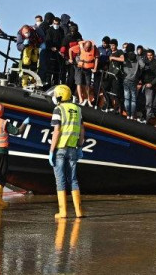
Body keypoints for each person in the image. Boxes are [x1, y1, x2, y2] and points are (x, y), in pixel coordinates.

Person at [48, 85, 85, 219]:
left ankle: (63, 212)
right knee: (73, 179)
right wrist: (80, 146)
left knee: (60, 179)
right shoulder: (78, 109)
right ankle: (79, 211)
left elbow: (56, 131)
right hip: (73, 149)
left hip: (60, 149)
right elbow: (81, 130)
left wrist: (51, 151)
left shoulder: (58, 109)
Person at [119, 43, 142, 120]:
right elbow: (143, 66)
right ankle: (132, 115)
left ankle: (128, 115)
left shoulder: (124, 56)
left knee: (126, 98)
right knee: (133, 99)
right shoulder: (137, 57)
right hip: (134, 80)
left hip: (125, 78)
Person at [73, 38, 97, 106]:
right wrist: (71, 59)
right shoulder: (79, 46)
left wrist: (95, 68)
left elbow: (97, 58)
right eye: (86, 47)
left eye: (88, 48)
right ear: (84, 46)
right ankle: (80, 99)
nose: (87, 49)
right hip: (79, 67)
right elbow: (70, 50)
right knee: (79, 83)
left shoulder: (94, 49)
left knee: (88, 84)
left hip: (88, 68)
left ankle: (88, 100)